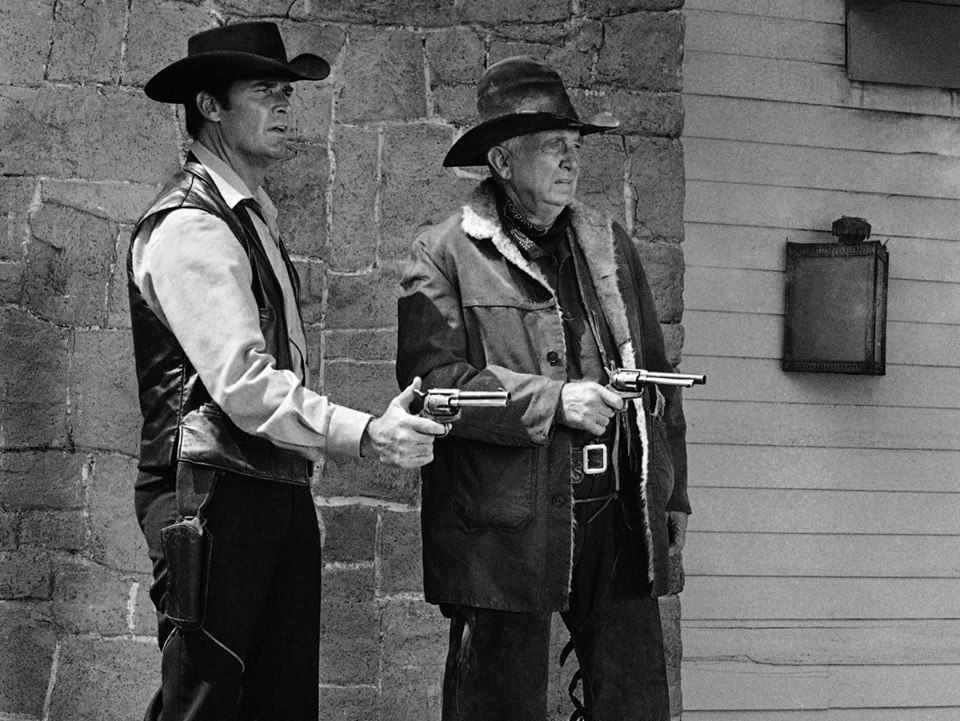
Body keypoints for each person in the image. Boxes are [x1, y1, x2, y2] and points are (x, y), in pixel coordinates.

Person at [129, 22, 446, 721]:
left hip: (269, 486)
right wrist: (368, 433)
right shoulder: (191, 225)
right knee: (203, 703)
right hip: (210, 494)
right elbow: (244, 386)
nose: (283, 103)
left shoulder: (249, 218)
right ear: (210, 106)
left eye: (287, 91)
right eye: (263, 90)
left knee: (280, 703)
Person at [396, 56, 691, 721]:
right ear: (502, 160)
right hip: (504, 527)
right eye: (552, 144)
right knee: (495, 705)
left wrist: (672, 493)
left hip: (616, 512)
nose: (570, 158)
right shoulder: (443, 253)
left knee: (636, 703)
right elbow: (436, 387)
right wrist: (555, 401)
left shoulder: (607, 244)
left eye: (574, 143)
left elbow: (656, 374)